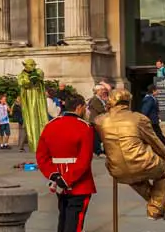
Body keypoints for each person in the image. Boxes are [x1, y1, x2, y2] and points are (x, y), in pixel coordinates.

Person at [95, 89, 165, 220]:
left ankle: (160, 206)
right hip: (143, 163)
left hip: (116, 169)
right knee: (163, 172)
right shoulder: (139, 119)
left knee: (132, 177)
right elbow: (156, 144)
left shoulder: (100, 121)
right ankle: (155, 208)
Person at [36, 92, 96, 232]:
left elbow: (42, 156)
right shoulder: (84, 127)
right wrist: (67, 179)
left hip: (58, 179)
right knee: (75, 222)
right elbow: (84, 159)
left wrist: (55, 176)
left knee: (63, 218)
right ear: (79, 108)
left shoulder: (50, 125)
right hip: (78, 181)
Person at [140, 84, 165, 152]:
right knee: (158, 134)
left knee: (154, 135)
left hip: (153, 121)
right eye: (157, 90)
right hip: (152, 121)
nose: (158, 91)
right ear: (153, 91)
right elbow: (145, 111)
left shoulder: (152, 98)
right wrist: (145, 120)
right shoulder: (150, 99)